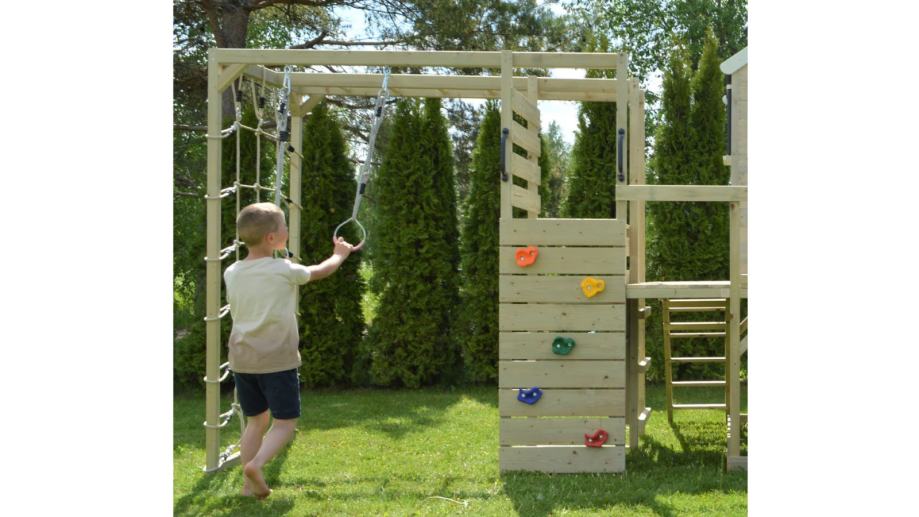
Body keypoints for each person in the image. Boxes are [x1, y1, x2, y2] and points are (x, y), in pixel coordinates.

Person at [223, 202, 360, 499]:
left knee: (256, 421)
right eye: (284, 225)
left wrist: (280, 254)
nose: (288, 229)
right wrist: (340, 254)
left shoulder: (232, 271)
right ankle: (256, 465)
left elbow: (263, 276)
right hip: (277, 360)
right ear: (272, 237)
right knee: (285, 423)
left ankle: (248, 485)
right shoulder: (284, 270)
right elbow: (320, 271)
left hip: (242, 360)